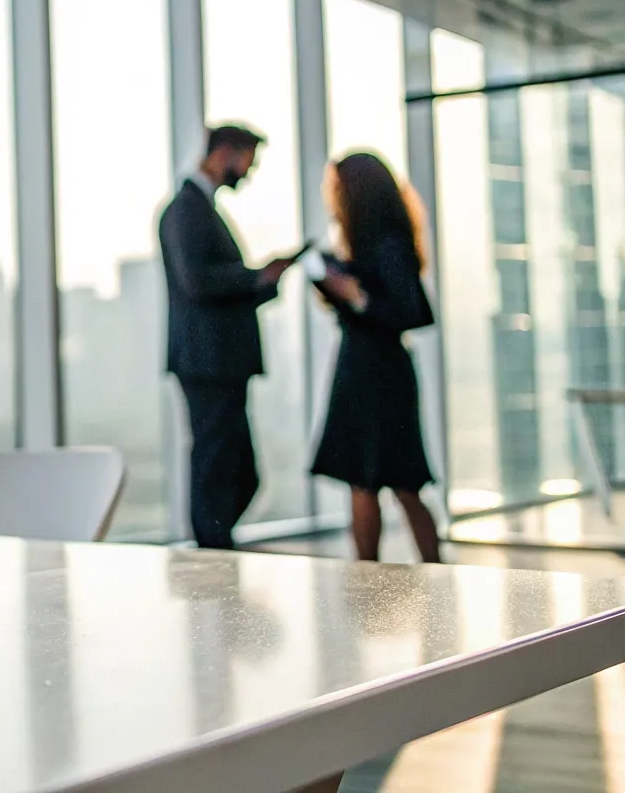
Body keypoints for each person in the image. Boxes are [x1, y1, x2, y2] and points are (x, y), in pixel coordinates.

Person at [159, 124, 299, 550]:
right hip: (207, 361)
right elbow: (197, 283)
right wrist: (257, 276)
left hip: (219, 361)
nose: (249, 171)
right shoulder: (185, 210)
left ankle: (216, 551)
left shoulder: (202, 208)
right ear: (223, 153)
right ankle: (212, 556)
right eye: (247, 160)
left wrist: (262, 280)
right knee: (217, 465)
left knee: (235, 470)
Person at [311, 152, 442, 564]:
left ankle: (427, 571)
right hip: (362, 368)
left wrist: (358, 297)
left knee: (399, 483)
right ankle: (370, 575)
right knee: (363, 481)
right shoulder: (365, 244)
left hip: (380, 374)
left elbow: (415, 311)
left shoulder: (389, 244)